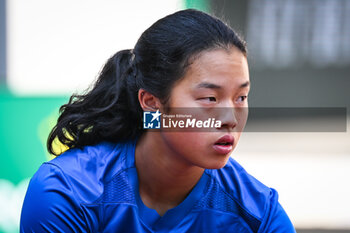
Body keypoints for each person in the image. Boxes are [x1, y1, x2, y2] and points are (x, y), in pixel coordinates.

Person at [20, 9, 296, 232]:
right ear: (152, 103)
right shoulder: (67, 192)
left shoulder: (259, 213)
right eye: (210, 99)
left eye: (241, 97)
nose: (230, 119)